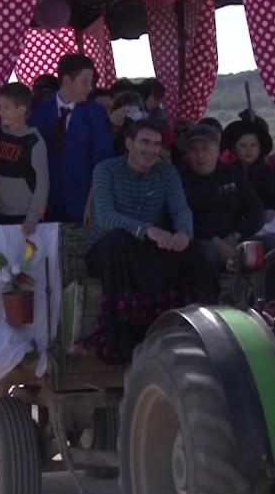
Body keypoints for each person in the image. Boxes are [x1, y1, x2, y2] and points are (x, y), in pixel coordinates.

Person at [83, 119, 207, 364]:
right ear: (129, 143)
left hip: (147, 248)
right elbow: (106, 216)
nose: (151, 150)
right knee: (118, 241)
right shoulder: (106, 170)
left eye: (156, 144)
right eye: (145, 142)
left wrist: (183, 232)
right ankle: (125, 331)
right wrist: (146, 230)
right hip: (109, 250)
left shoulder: (167, 172)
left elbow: (181, 208)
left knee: (191, 248)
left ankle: (191, 328)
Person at [178, 124, 275, 302]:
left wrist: (235, 235)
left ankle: (266, 305)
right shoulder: (179, 180)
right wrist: (215, 241)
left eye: (205, 148)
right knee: (207, 253)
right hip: (201, 242)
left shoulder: (233, 175)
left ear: (217, 149)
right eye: (194, 150)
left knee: (274, 245)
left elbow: (255, 210)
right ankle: (211, 308)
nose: (200, 155)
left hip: (235, 240)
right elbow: (180, 217)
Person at [31, 54, 113, 223]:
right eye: (85, 82)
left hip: (83, 203)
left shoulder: (95, 113)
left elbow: (103, 160)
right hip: (45, 204)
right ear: (67, 80)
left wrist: (94, 201)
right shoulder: (39, 111)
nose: (90, 88)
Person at [0, 82, 48, 237]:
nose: (1, 112)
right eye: (0, 107)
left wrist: (35, 215)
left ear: (21, 110)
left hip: (24, 218)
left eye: (6, 107)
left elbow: (43, 184)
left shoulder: (34, 142)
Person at [222, 117, 275, 220]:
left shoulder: (270, 176)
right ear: (234, 148)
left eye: (253, 145)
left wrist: (271, 211)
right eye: (243, 145)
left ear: (260, 149)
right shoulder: (227, 173)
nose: (248, 150)